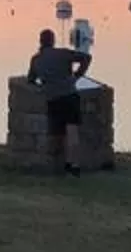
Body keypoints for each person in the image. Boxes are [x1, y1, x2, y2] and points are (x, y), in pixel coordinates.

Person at [27, 26, 92, 175]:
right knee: (73, 131)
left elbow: (31, 80)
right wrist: (77, 75)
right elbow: (86, 58)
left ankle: (53, 164)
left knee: (56, 133)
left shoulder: (36, 60)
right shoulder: (63, 54)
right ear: (53, 41)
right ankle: (73, 166)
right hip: (70, 95)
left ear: (40, 41)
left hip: (52, 98)